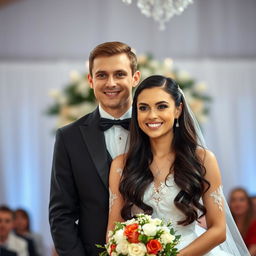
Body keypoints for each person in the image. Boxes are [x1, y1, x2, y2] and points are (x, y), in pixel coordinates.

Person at [107, 75, 250, 256]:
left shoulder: (203, 159)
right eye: (143, 108)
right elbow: (113, 230)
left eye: (161, 106)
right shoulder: (121, 165)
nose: (152, 115)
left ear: (178, 109)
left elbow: (219, 230)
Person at [49, 41, 140, 255]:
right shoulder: (68, 137)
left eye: (119, 74)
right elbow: (61, 214)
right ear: (90, 80)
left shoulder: (157, 130)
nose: (111, 83)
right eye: (101, 75)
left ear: (135, 78)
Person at [229, 187, 256, 255]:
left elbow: (253, 250)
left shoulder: (254, 224)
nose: (237, 204)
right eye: (233, 200)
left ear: (248, 204)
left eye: (241, 200)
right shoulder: (226, 225)